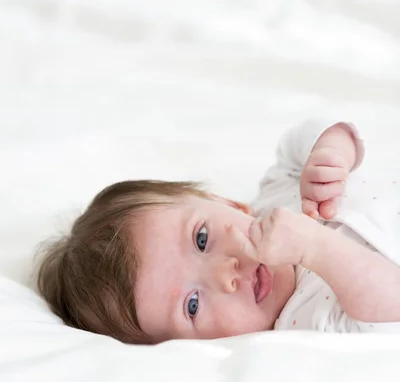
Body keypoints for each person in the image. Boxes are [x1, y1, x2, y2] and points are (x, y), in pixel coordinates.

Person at [36, 117, 400, 344]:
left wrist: (330, 153)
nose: (226, 274)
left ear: (227, 203)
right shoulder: (304, 323)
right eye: (192, 305)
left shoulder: (278, 194)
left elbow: (298, 141)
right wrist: (315, 248)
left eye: (201, 239)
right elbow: (389, 310)